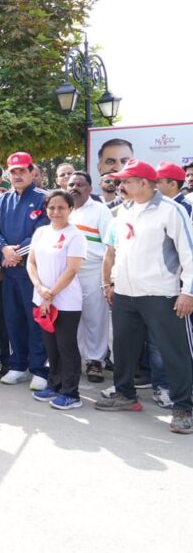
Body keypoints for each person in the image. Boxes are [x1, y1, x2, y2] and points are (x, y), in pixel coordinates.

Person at [95, 159, 193, 433]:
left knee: (174, 352)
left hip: (161, 294)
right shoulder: (123, 211)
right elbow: (116, 251)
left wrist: (188, 292)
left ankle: (183, 407)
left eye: (126, 181)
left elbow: (189, 253)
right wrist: (110, 283)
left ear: (144, 183)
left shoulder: (171, 210)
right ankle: (126, 395)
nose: (120, 185)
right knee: (124, 349)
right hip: (125, 294)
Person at [0, 152, 50, 389]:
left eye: (22, 171)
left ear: (32, 172)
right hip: (10, 273)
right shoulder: (2, 199)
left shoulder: (43, 198)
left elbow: (43, 231)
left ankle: (40, 369)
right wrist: (4, 249)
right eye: (13, 171)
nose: (17, 175)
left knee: (35, 321)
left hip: (34, 273)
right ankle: (18, 365)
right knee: (13, 320)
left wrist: (17, 254)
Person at [26, 190, 87, 410]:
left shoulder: (76, 235)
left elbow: (72, 270)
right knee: (51, 347)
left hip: (66, 302)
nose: (56, 212)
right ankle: (54, 385)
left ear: (70, 209)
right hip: (41, 299)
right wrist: (39, 288)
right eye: (52, 207)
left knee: (66, 346)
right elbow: (31, 263)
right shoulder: (41, 232)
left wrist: (50, 294)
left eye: (61, 207)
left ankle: (71, 393)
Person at [65, 171, 113, 383]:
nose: (74, 188)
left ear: (90, 189)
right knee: (70, 318)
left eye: (79, 184)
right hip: (66, 273)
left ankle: (95, 361)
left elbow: (110, 246)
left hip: (93, 270)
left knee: (95, 318)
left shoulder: (100, 210)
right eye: (71, 184)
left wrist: (108, 278)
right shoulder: (62, 208)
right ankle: (73, 359)